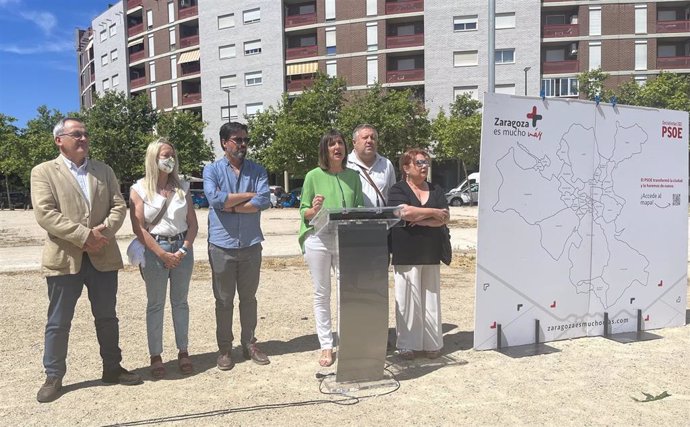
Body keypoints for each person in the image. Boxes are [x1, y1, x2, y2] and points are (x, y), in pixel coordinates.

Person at [31, 117, 142, 403]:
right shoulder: (43, 172)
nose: (83, 139)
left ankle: (112, 368)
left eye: (85, 134)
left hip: (102, 255)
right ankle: (54, 375)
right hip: (65, 258)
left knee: (107, 317)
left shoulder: (103, 170)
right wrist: (84, 236)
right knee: (58, 321)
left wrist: (103, 232)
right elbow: (46, 214)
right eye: (76, 134)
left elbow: (119, 204)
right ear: (59, 140)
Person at [203, 122, 271, 370]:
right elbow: (214, 199)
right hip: (221, 245)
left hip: (251, 244)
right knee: (223, 300)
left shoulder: (258, 170)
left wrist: (229, 205)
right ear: (224, 142)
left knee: (249, 298)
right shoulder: (211, 170)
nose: (242, 144)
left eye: (245, 140)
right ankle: (224, 348)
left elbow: (264, 200)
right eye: (237, 140)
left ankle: (249, 343)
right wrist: (247, 196)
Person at [129, 138, 198, 379]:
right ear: (153, 158)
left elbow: (192, 224)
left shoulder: (183, 187)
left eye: (172, 155)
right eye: (165, 155)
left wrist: (182, 251)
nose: (170, 160)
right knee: (155, 304)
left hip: (181, 249)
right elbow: (138, 227)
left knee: (181, 302)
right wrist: (161, 254)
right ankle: (156, 355)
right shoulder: (138, 189)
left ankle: (183, 351)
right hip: (154, 249)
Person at [299, 130, 364, 367]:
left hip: (345, 238)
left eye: (340, 143)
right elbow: (303, 212)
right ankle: (326, 345)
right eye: (332, 144)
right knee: (322, 293)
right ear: (324, 150)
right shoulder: (312, 176)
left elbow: (359, 208)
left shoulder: (354, 177)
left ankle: (347, 340)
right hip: (318, 238)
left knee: (346, 291)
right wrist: (315, 209)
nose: (337, 147)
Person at [387, 148, 450, 360]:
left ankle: (433, 343)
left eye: (426, 163)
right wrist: (432, 213)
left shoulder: (436, 189)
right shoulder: (398, 189)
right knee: (407, 300)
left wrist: (419, 219)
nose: (424, 167)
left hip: (431, 251)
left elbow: (445, 217)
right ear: (406, 167)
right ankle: (407, 345)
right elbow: (403, 212)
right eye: (419, 163)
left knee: (431, 298)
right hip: (406, 251)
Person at [346, 124, 396, 207]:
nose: (369, 141)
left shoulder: (386, 164)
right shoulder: (345, 164)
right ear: (354, 142)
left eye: (373, 138)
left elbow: (393, 195)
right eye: (365, 137)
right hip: (355, 218)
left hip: (381, 218)